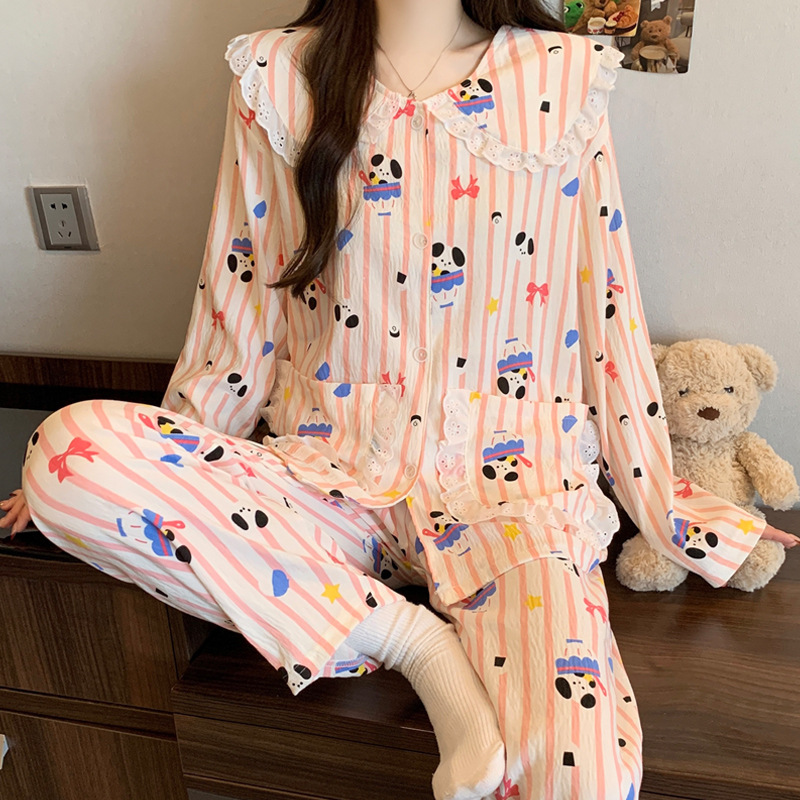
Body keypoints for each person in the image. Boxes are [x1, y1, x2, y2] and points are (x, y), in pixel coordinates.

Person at [3, 2, 799, 799]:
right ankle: (417, 645)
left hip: (509, 496)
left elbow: (608, 309)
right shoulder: (279, 78)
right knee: (70, 451)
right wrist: (153, 481)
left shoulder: (561, 76)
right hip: (327, 480)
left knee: (584, 773)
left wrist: (672, 507)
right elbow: (238, 307)